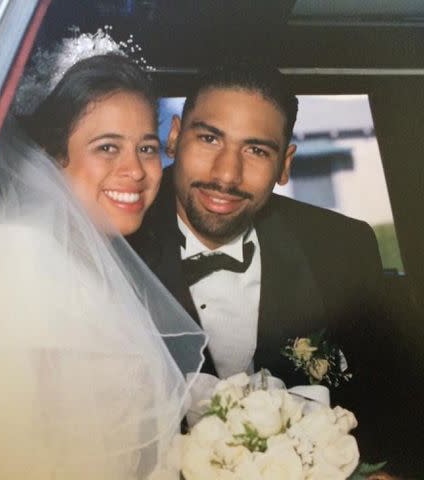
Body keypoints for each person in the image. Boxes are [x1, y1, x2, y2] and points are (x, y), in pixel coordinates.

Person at [0, 33, 206, 479]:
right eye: (107, 147)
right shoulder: (13, 260)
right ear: (49, 156)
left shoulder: (87, 260)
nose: (136, 170)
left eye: (146, 147)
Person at [129, 61, 413, 468]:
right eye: (209, 138)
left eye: (256, 150)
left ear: (285, 165)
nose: (227, 174)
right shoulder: (110, 245)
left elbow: (393, 407)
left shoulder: (341, 245)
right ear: (174, 137)